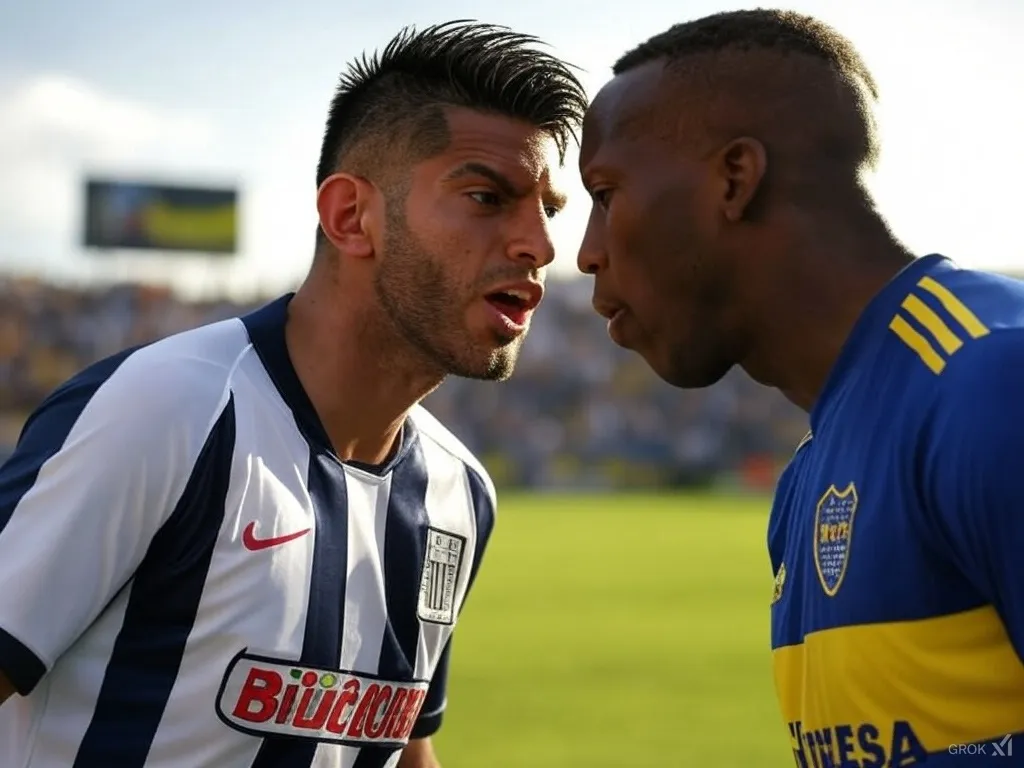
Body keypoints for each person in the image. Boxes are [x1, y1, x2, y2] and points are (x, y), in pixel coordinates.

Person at [0, 20, 586, 768]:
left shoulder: (459, 494)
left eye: (549, 210)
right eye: (486, 196)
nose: (538, 244)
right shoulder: (168, 412)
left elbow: (399, 743)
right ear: (351, 216)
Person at [576, 8, 1024, 766]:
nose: (587, 253)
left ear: (734, 180)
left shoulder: (991, 382)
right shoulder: (808, 480)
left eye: (606, 193)